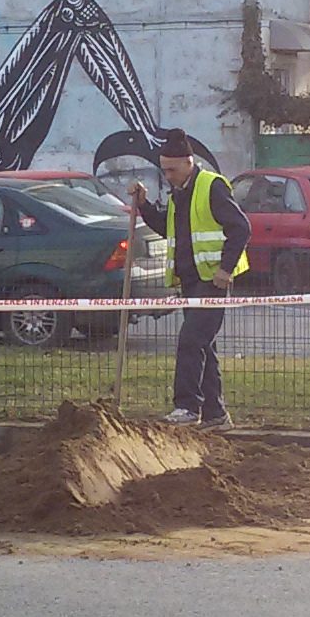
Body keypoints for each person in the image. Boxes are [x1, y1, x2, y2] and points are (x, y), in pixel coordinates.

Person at [130, 129, 253, 430]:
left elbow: (241, 228)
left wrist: (225, 269)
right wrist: (145, 206)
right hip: (189, 281)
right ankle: (215, 415)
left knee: (191, 341)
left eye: (172, 169)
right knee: (203, 347)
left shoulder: (211, 186)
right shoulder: (178, 193)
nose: (167, 175)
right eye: (164, 169)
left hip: (212, 281)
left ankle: (186, 407)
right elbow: (167, 228)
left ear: (189, 161)